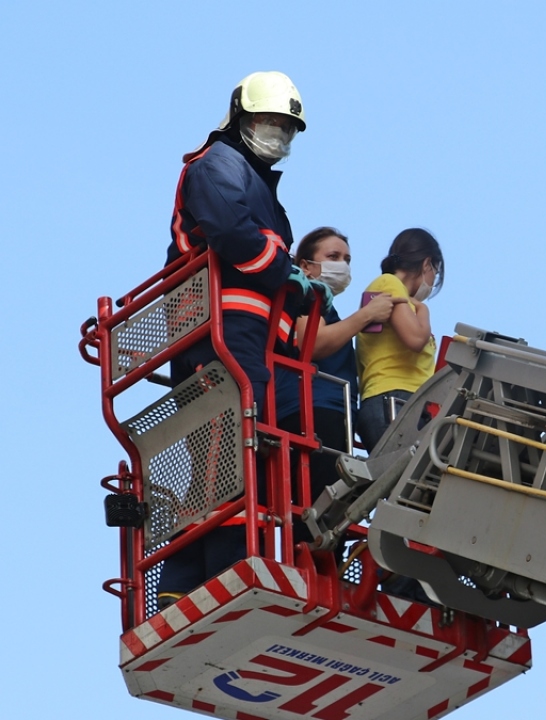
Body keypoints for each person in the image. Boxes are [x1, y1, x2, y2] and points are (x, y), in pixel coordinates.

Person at [157, 71, 328, 609]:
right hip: (217, 334)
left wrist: (298, 289)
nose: (278, 133)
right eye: (269, 121)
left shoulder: (261, 186)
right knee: (226, 453)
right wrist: (287, 273)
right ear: (240, 117)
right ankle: (199, 580)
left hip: (250, 340)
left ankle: (210, 573)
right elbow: (234, 236)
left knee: (240, 454)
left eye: (287, 127)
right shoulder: (218, 166)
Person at [273, 227, 402, 536]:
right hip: (313, 410)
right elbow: (312, 343)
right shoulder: (304, 292)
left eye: (346, 259)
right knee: (319, 511)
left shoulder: (326, 307)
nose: (342, 265)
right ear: (306, 265)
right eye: (332, 257)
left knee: (330, 514)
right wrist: (366, 315)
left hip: (330, 413)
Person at [355, 228, 445, 452]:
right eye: (435, 272)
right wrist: (423, 311)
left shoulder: (401, 297)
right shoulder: (389, 283)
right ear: (427, 264)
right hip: (394, 402)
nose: (432, 281)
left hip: (399, 403)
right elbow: (415, 339)